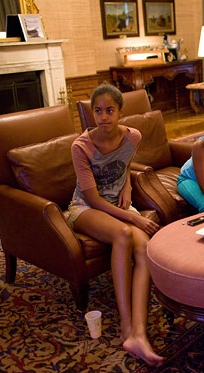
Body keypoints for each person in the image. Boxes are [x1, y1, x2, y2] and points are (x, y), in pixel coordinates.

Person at [66, 83, 164, 366]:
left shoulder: (133, 136)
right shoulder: (81, 146)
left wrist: (129, 190)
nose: (103, 116)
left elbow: (124, 169)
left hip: (119, 206)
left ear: (121, 112)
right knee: (124, 233)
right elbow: (93, 199)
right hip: (85, 208)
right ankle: (125, 326)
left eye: (110, 110)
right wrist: (134, 216)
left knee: (144, 246)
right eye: (98, 111)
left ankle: (139, 333)